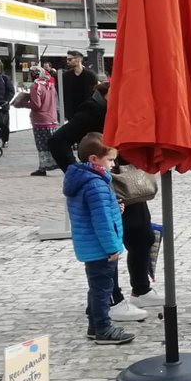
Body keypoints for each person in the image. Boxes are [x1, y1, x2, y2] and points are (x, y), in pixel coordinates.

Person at [50, 83, 159, 317]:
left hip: (130, 182)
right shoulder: (93, 110)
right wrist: (82, 173)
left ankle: (141, 289)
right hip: (108, 185)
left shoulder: (124, 110)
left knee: (143, 235)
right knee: (111, 245)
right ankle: (113, 300)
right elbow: (57, 141)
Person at [63, 132, 135, 345]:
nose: (113, 164)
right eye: (111, 159)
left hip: (90, 247)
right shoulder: (95, 184)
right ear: (94, 159)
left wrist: (116, 208)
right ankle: (103, 328)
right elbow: (101, 220)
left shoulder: (84, 179)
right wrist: (113, 248)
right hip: (101, 248)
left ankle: (94, 325)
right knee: (103, 288)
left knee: (96, 286)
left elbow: (96, 212)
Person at [27, 65, 59, 175]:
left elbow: (36, 105)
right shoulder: (50, 84)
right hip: (52, 118)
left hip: (40, 119)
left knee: (42, 145)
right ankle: (58, 163)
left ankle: (43, 167)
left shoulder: (35, 86)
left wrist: (24, 103)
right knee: (52, 143)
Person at [61, 50, 98, 120]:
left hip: (87, 112)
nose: (67, 62)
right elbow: (64, 94)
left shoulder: (90, 75)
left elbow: (94, 94)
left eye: (70, 59)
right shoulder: (66, 76)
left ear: (79, 59)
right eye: (67, 60)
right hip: (71, 113)